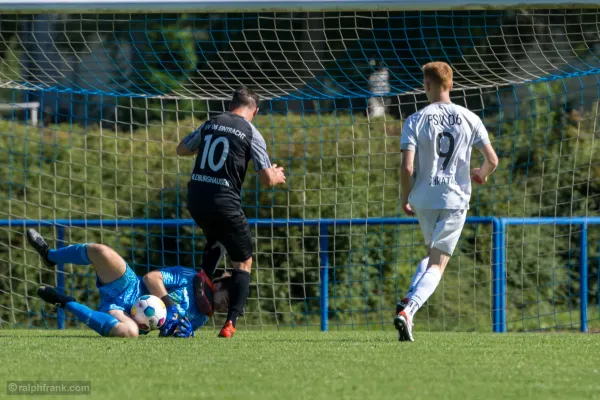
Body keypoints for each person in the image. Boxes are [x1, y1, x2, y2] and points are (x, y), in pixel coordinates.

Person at [395, 61, 499, 342]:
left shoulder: (415, 119)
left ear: (426, 85)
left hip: (424, 199)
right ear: (451, 84)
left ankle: (407, 301)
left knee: (431, 258)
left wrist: (405, 197)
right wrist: (481, 174)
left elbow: (406, 168)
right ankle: (410, 310)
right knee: (438, 265)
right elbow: (492, 160)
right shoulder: (469, 118)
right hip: (454, 199)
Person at [177, 87, 286, 338]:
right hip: (224, 201)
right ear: (255, 111)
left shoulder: (211, 123)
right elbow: (267, 179)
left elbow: (181, 149)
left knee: (217, 239)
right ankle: (230, 323)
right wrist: (277, 175)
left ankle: (204, 277)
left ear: (231, 104)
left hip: (196, 199)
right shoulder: (251, 132)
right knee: (243, 262)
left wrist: (199, 145)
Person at [26, 228, 230, 338]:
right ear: (219, 284)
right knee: (101, 251)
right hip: (128, 285)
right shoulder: (189, 276)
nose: (225, 306)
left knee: (129, 333)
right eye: (228, 298)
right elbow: (152, 278)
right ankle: (50, 255)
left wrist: (180, 333)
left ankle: (65, 302)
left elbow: (169, 333)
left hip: (129, 317)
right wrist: (171, 307)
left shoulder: (201, 318)